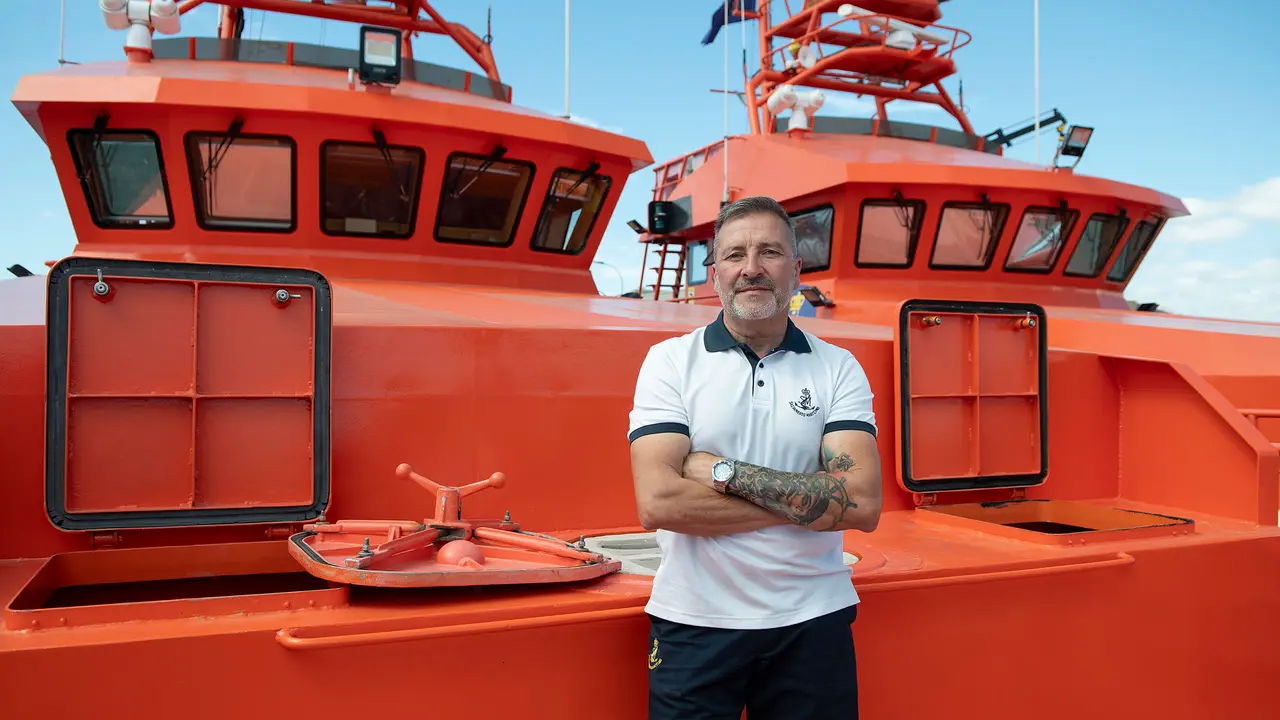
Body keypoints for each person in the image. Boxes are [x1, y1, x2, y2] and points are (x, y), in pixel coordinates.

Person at [627, 195, 883, 719]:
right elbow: (659, 502)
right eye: (735, 254)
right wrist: (805, 502)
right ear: (714, 271)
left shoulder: (837, 368)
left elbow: (862, 505)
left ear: (796, 269)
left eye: (770, 252)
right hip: (695, 622)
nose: (752, 268)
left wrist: (725, 473)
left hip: (814, 622)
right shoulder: (670, 362)